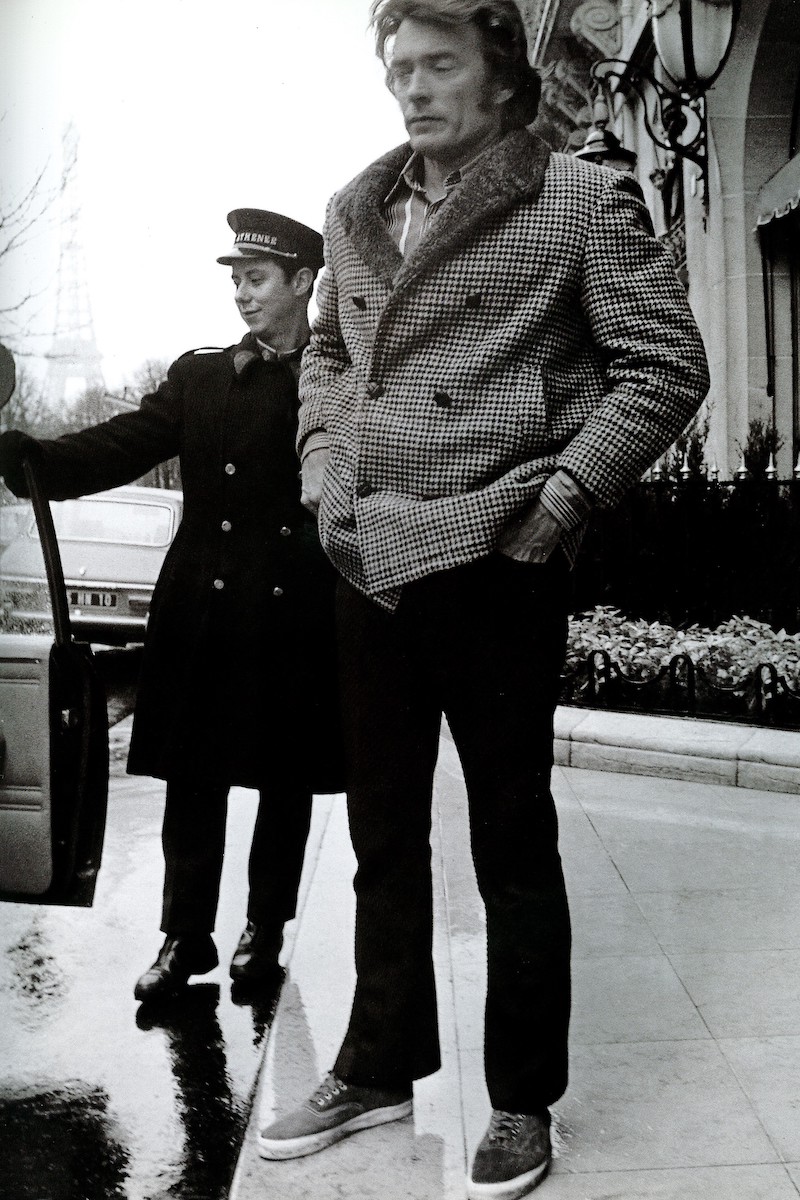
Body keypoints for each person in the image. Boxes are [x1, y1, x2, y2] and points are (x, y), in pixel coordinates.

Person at [258, 1, 710, 1195]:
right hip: (368, 558)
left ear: (501, 78)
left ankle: (520, 1101)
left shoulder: (573, 198)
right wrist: (320, 468)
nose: (411, 89)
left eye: (438, 65)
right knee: (379, 840)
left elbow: (664, 365)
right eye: (397, 67)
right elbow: (328, 354)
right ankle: (376, 1063)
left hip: (495, 561)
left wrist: (557, 504)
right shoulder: (356, 209)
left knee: (512, 842)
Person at [0, 209, 343, 1004]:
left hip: (295, 616)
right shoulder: (201, 377)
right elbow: (125, 442)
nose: (242, 297)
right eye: (234, 281)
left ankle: (265, 933)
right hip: (204, 613)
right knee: (194, 782)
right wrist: (35, 459)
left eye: (257, 280)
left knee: (283, 784)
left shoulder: (339, 378)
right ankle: (184, 936)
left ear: (303, 282)